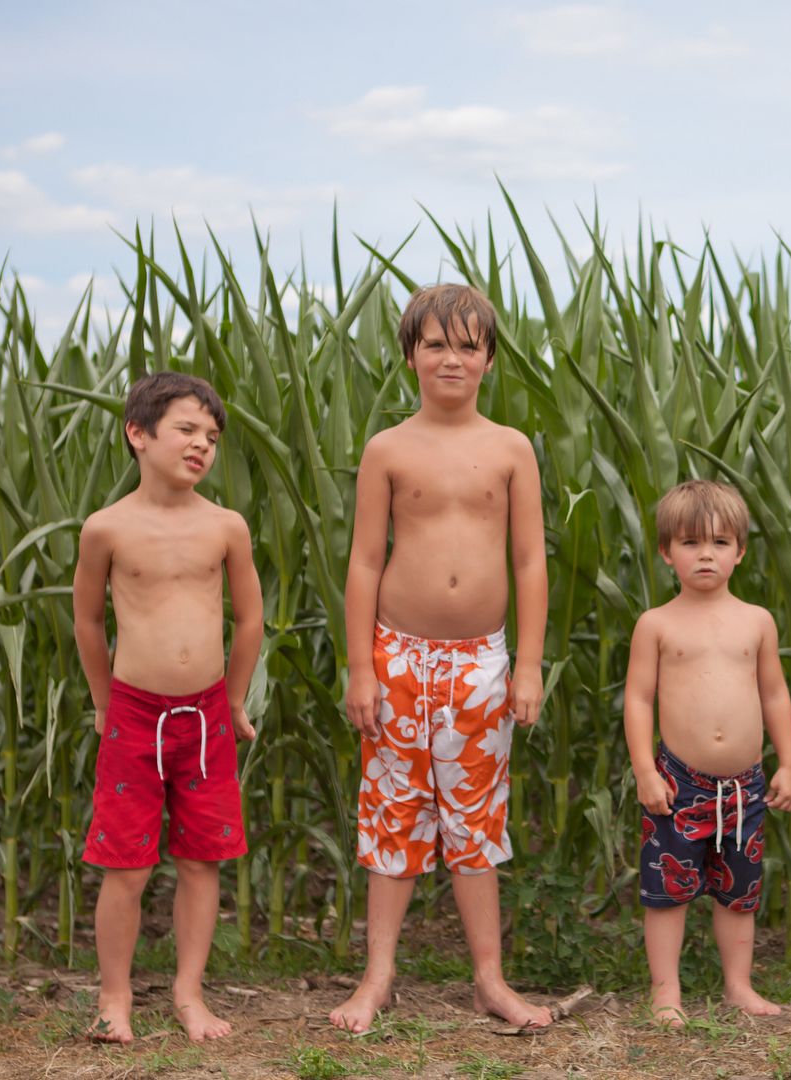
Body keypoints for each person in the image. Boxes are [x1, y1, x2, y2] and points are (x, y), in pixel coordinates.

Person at [330, 284, 551, 1033]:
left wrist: (528, 664)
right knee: (393, 816)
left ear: (488, 358)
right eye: (435, 344)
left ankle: (490, 980)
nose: (450, 357)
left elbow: (529, 563)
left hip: (480, 662)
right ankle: (378, 976)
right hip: (397, 656)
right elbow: (364, 562)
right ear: (410, 357)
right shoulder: (387, 448)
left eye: (466, 345)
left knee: (476, 824)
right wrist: (361, 667)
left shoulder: (511, 448)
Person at [73, 371, 263, 1043]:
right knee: (125, 864)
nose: (201, 445)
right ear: (138, 434)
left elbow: (248, 620)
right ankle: (114, 997)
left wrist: (235, 696)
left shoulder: (226, 527)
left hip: (206, 717)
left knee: (201, 860)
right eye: (185, 429)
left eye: (211, 436)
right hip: (133, 715)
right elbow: (89, 622)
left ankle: (189, 994)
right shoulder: (107, 529)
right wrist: (102, 701)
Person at [624, 479, 791, 1027]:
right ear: (665, 552)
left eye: (720, 543)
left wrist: (788, 763)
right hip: (678, 782)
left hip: (745, 785)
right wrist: (644, 774)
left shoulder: (757, 622)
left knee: (739, 891)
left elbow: (774, 693)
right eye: (691, 542)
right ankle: (665, 990)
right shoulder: (656, 624)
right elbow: (638, 699)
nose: (706, 554)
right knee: (666, 892)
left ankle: (738, 984)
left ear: (740, 552)